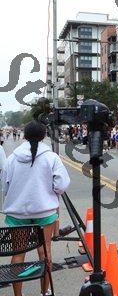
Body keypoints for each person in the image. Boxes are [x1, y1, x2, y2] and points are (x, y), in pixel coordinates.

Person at [1, 121, 70, 296]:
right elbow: (61, 185)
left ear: (24, 136)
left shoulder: (12, 158)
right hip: (45, 212)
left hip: (17, 213)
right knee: (45, 252)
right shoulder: (51, 157)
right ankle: (44, 291)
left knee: (18, 254)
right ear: (43, 135)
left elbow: (5, 187)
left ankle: (18, 295)